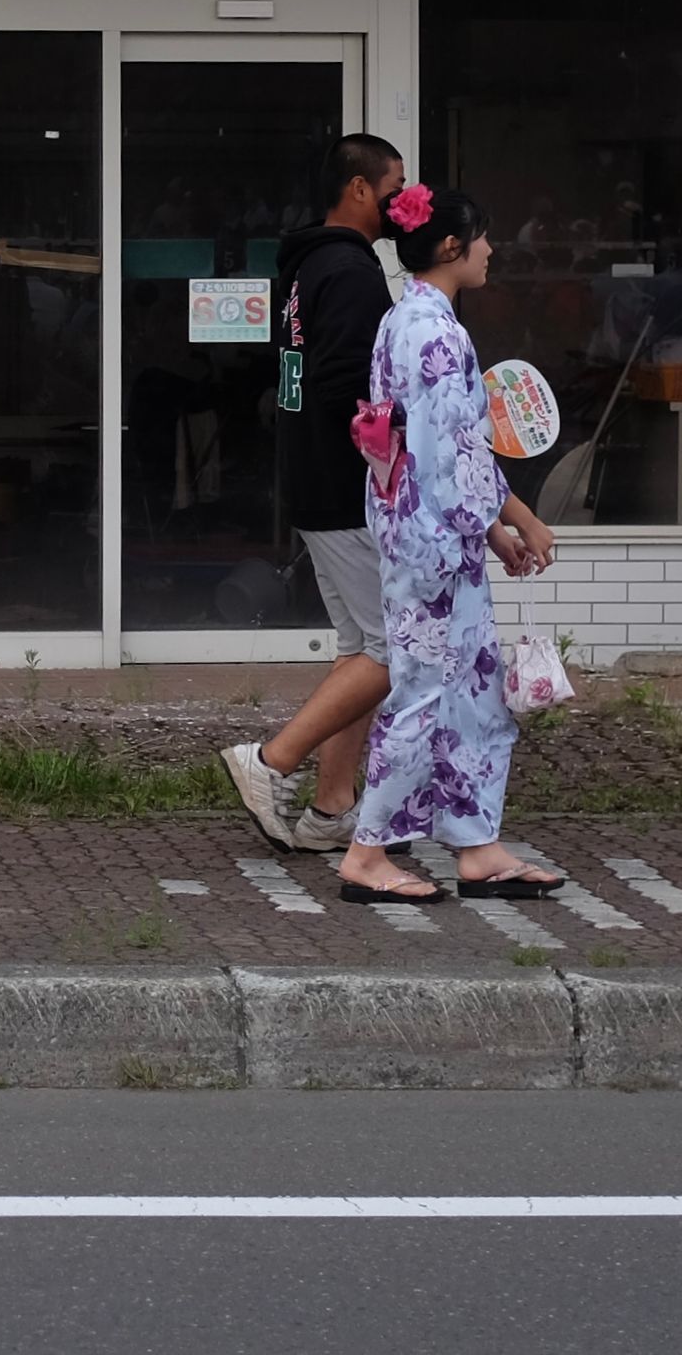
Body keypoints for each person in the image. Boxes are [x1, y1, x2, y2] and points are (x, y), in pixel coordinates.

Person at [337, 183, 560, 905]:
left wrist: (490, 528)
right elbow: (454, 453)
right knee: (428, 694)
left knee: (470, 695)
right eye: (483, 238)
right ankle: (368, 852)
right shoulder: (436, 333)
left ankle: (478, 845)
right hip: (434, 547)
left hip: (429, 537)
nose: (492, 251)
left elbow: (437, 456)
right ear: (451, 247)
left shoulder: (403, 321)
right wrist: (518, 517)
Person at [221, 133, 409, 851]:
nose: (404, 202)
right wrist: (395, 456)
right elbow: (348, 388)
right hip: (344, 485)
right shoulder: (354, 275)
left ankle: (332, 808)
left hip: (310, 478)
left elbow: (304, 380)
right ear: (359, 189)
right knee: (392, 648)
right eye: (395, 186)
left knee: (361, 645)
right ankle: (271, 761)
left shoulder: (307, 270)